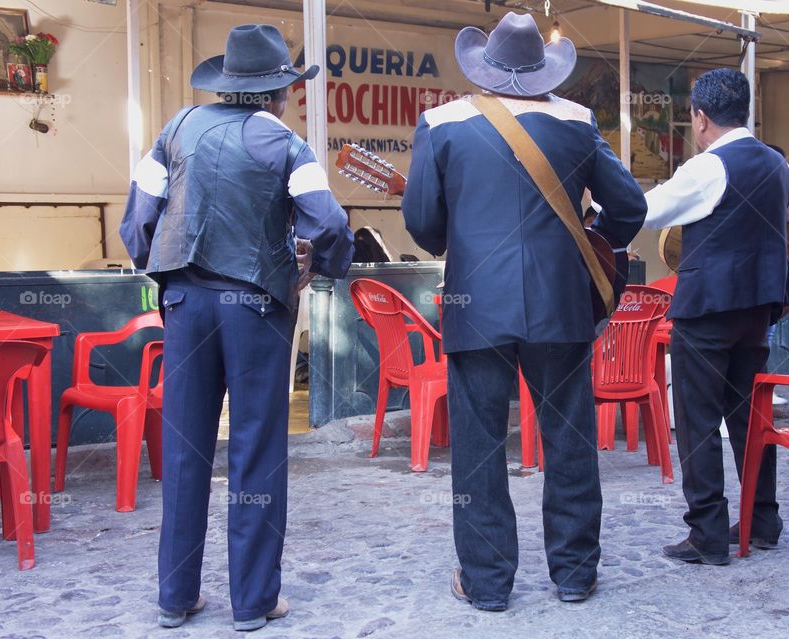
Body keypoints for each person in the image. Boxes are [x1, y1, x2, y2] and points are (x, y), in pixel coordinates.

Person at [402, 12, 646, 610]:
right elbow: (631, 207)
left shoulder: (442, 123)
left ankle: (486, 582)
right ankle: (574, 574)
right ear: (543, 69)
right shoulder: (578, 123)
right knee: (569, 439)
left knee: (479, 447)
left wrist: (454, 239)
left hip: (475, 306)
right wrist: (591, 237)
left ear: (485, 69)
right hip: (559, 305)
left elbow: (421, 222)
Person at [120, 24, 354, 631]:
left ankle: (176, 597)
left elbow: (138, 220)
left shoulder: (175, 130)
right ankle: (252, 603)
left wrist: (165, 271)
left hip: (184, 309)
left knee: (185, 450)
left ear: (226, 85)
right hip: (255, 311)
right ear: (279, 92)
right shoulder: (288, 146)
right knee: (256, 453)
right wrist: (317, 270)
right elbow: (327, 226)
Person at [643, 69, 789, 565]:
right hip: (759, 309)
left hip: (708, 308)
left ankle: (708, 533)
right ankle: (763, 521)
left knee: (697, 420)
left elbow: (649, 211)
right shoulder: (776, 164)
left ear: (700, 117)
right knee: (749, 416)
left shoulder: (706, 167)